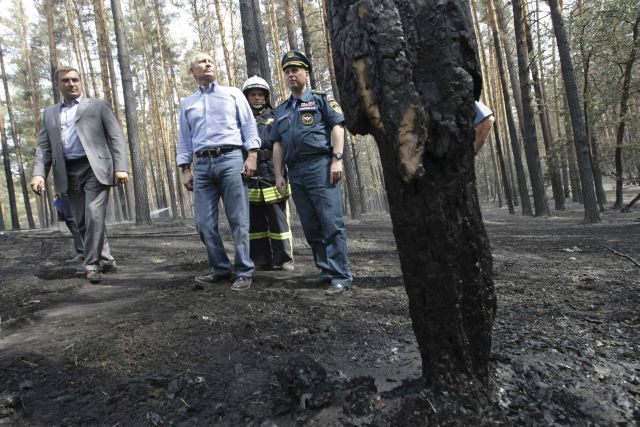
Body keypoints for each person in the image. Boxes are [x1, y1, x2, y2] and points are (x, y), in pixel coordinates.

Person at [31, 66, 128, 284]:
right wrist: (39, 174)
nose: (72, 84)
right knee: (82, 220)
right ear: (58, 85)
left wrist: (121, 166)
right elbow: (44, 147)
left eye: (75, 79)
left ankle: (91, 264)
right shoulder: (49, 113)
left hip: (95, 168)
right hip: (67, 171)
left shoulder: (98, 106)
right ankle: (106, 259)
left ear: (81, 82)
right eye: (66, 80)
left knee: (94, 214)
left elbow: (116, 137)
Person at [271, 50, 353, 296]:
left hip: (320, 165)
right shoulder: (282, 110)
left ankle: (341, 276)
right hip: (295, 171)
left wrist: (337, 159)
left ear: (306, 72)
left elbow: (337, 126)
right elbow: (277, 144)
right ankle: (326, 270)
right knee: (311, 225)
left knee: (331, 223)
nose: (290, 75)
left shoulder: (320, 99)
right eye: (287, 71)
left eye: (295, 70)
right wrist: (278, 174)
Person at [177, 53, 260, 292]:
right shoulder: (188, 103)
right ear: (193, 72)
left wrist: (251, 156)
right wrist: (185, 169)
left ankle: (244, 271)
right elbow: (184, 140)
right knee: (203, 223)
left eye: (210, 61)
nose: (207, 64)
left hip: (232, 159)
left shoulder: (233, 94)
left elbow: (248, 126)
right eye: (201, 62)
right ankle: (221, 269)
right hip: (202, 165)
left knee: (238, 219)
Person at [241, 76, 295, 272]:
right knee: (254, 221)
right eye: (253, 94)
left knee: (278, 218)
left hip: (273, 171)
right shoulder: (240, 119)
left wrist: (281, 171)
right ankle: (260, 259)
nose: (257, 98)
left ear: (266, 97)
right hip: (250, 175)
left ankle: (284, 260)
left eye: (260, 95)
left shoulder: (276, 115)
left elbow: (282, 143)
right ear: (246, 97)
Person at [53, 193, 84, 263]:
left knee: (72, 220)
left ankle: (82, 252)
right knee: (70, 220)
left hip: (71, 191)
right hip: (65, 192)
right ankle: (83, 251)